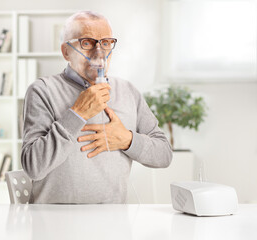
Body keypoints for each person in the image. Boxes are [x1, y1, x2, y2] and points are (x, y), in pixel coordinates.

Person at [21, 11, 172, 204]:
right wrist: (77, 113)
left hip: (112, 225)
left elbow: (164, 155)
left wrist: (127, 139)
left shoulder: (127, 91)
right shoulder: (42, 90)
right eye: (87, 42)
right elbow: (34, 166)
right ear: (66, 51)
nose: (99, 52)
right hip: (55, 224)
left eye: (106, 42)